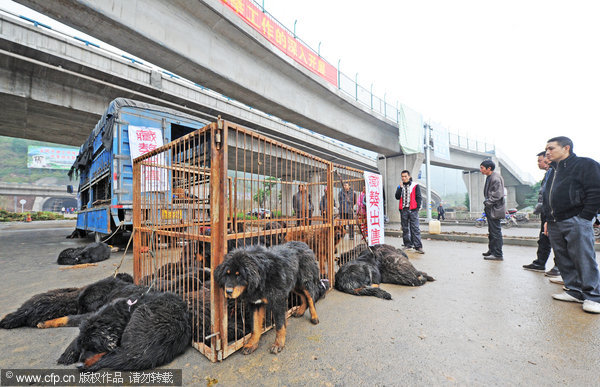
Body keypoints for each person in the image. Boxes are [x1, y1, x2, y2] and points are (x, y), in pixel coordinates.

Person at [542, 136, 600, 314]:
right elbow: (547, 197)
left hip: (576, 219)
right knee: (562, 258)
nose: (547, 152)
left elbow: (596, 190)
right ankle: (574, 290)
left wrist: (585, 216)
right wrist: (547, 219)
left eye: (551, 148)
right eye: (546, 149)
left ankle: (593, 296)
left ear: (566, 148)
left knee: (583, 257)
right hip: (554, 221)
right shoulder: (553, 170)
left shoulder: (585, 164)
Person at [522, 151, 560, 276]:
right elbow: (544, 193)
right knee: (544, 238)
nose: (538, 163)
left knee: (556, 240)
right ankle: (540, 263)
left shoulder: (557, 171)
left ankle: (559, 267)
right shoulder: (549, 173)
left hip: (554, 212)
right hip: (546, 211)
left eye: (540, 160)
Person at [480, 159, 505, 261]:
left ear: (489, 168)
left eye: (482, 168)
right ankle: (491, 250)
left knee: (495, 232)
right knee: (492, 231)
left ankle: (498, 254)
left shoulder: (495, 178)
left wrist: (487, 203)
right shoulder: (490, 177)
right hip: (491, 208)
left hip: (495, 209)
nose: (480, 170)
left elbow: (497, 195)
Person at [394, 170, 424, 253]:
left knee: (415, 228)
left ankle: (418, 246)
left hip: (413, 210)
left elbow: (419, 197)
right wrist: (399, 188)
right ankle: (408, 245)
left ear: (409, 176)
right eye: (402, 176)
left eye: (405, 176)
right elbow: (397, 197)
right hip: (404, 210)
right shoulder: (400, 186)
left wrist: (417, 208)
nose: (404, 178)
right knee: (405, 228)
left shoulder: (415, 185)